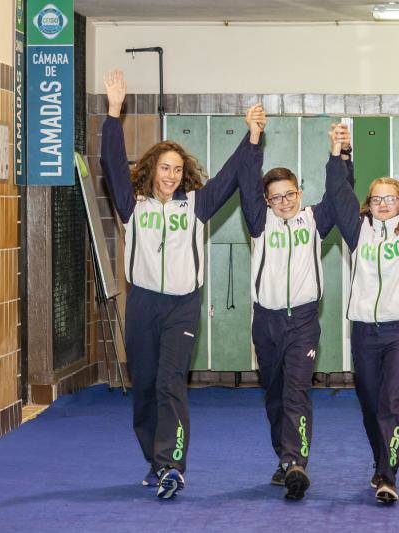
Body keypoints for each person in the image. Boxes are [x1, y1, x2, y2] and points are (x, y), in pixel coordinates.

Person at [100, 69, 262, 499]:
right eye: (163, 168)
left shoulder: (197, 204)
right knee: (146, 385)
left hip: (182, 307)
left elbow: (229, 176)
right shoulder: (132, 204)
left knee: (171, 381)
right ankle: (155, 460)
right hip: (142, 305)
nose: (170, 175)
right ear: (151, 169)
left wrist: (251, 137)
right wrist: (114, 112)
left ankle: (173, 465)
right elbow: (112, 165)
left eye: (177, 169)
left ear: (184, 172)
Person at [235, 108, 352, 499]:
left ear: (300, 193)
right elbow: (246, 182)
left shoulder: (314, 221)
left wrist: (340, 155)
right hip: (265, 321)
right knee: (275, 394)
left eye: (290, 194)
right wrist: (253, 138)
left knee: (297, 391)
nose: (284, 202)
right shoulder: (259, 222)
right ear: (266, 201)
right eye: (276, 197)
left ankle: (296, 462)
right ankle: (283, 458)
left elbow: (340, 195)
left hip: (303, 320)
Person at [325, 122, 399, 504]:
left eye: (391, 199)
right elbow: (337, 194)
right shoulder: (357, 231)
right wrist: (337, 155)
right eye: (376, 199)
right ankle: (380, 461)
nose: (383, 204)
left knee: (395, 402)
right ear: (366, 204)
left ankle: (388, 475)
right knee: (371, 404)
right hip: (365, 331)